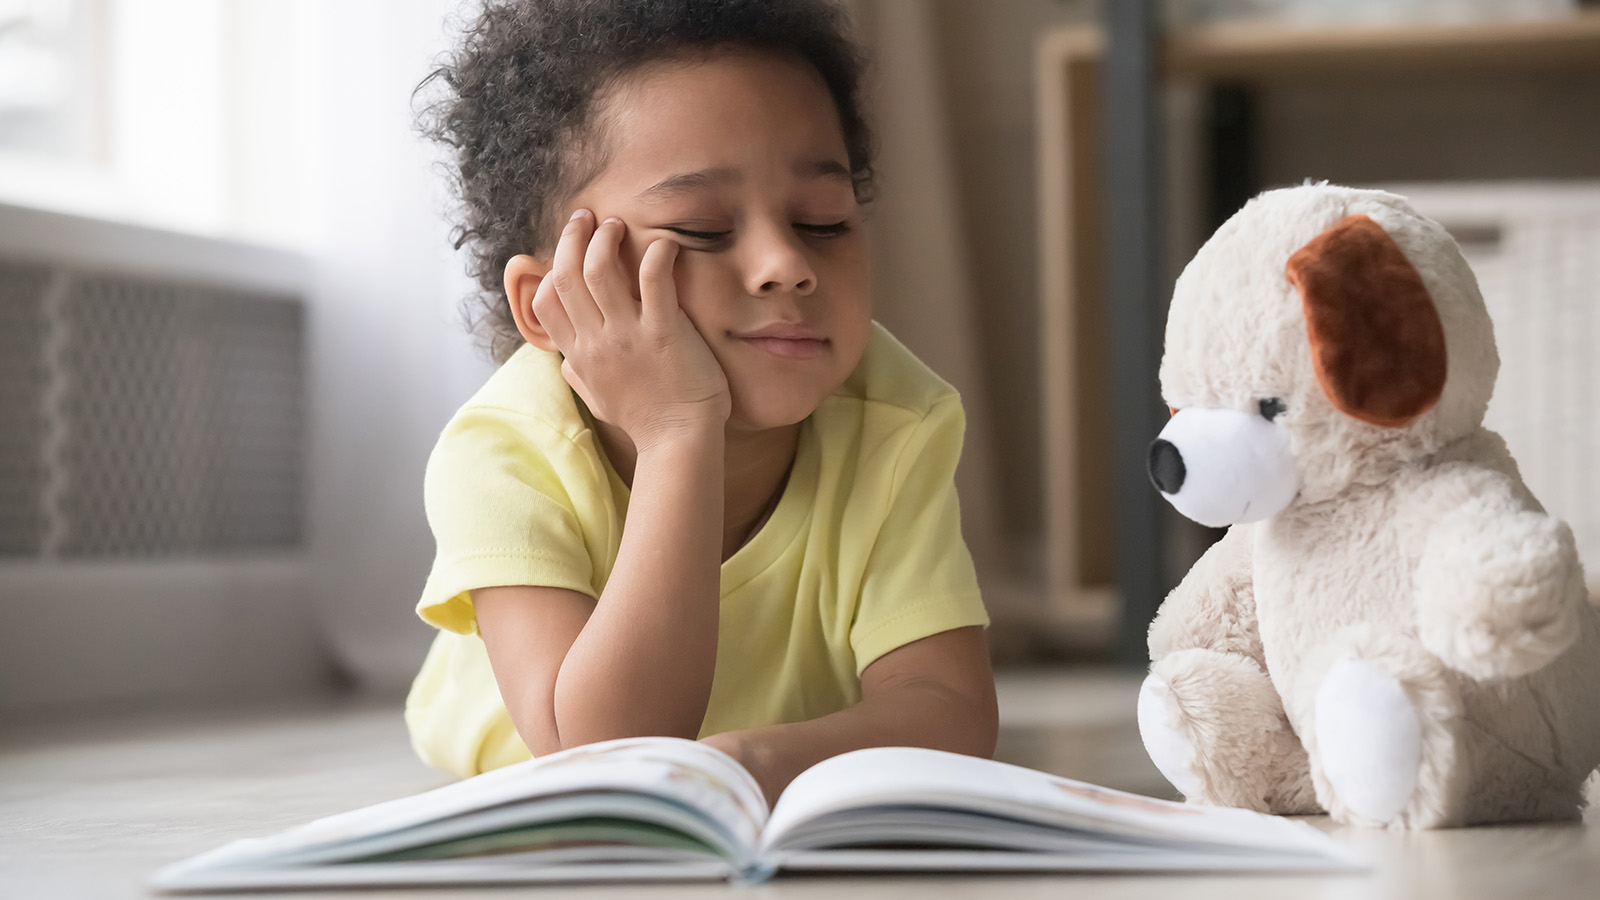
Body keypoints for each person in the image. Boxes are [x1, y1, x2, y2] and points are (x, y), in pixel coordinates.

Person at [405, 0, 996, 804]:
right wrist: (679, 432)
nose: (786, 263)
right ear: (550, 301)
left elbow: (953, 711)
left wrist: (752, 760)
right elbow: (609, 754)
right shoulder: (503, 452)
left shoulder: (896, 419)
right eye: (701, 230)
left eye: (823, 222)